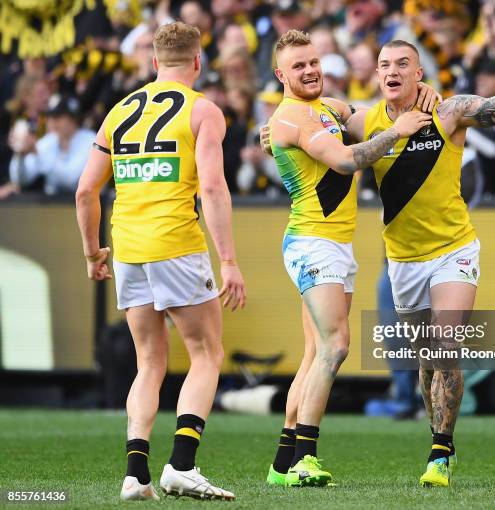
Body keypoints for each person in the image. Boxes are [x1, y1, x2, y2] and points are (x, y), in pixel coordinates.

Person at [339, 34, 495, 487]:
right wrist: (278, 126)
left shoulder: (448, 112)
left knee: (445, 344)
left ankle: (440, 454)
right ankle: (435, 434)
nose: (391, 71)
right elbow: (314, 111)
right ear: (376, 74)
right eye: (383, 64)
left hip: (454, 250)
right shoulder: (364, 121)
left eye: (402, 64)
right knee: (427, 360)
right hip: (403, 260)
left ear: (419, 73)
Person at [75, 21, 245, 502]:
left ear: (153, 63)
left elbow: (86, 190)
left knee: (148, 362)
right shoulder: (203, 110)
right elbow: (212, 187)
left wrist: (93, 254)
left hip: (127, 248)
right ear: (197, 61)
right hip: (176, 244)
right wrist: (228, 260)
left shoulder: (119, 111)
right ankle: (182, 467)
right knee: (207, 354)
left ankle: (135, 474)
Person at [265, 29, 435, 488]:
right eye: (298, 66)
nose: (310, 70)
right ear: (280, 74)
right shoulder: (292, 118)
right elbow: (343, 161)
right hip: (311, 242)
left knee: (314, 354)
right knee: (336, 346)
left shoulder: (326, 107)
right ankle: (305, 458)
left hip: (335, 244)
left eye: (314, 61)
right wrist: (396, 130)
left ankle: (282, 464)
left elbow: (363, 113)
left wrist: (420, 94)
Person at [1, 94, 95, 199]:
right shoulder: (50, 141)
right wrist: (20, 154)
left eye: (57, 116)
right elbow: (21, 179)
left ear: (73, 119)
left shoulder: (90, 140)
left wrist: (37, 154)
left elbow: (71, 180)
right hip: (54, 208)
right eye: (49, 116)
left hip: (86, 205)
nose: (52, 121)